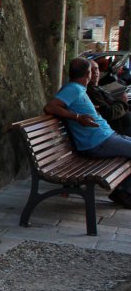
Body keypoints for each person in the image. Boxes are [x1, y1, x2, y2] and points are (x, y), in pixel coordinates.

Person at [45, 56, 131, 207]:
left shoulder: (78, 89)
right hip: (98, 142)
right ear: (87, 74)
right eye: (92, 71)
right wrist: (77, 117)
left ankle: (123, 190)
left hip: (104, 137)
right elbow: (50, 107)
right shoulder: (73, 89)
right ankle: (122, 192)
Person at [86, 60, 131, 135]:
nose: (95, 72)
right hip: (122, 129)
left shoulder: (99, 88)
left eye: (96, 69)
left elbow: (115, 104)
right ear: (86, 73)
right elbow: (109, 114)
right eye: (91, 70)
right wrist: (123, 102)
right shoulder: (92, 92)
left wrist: (125, 104)